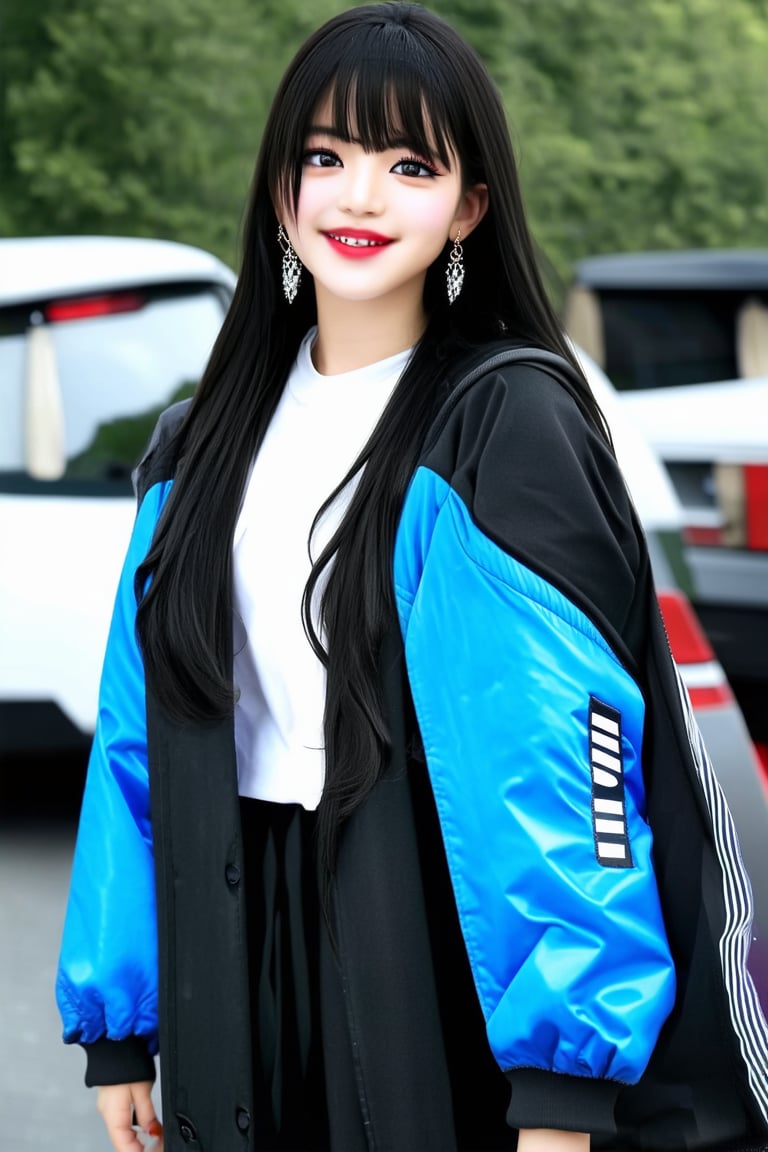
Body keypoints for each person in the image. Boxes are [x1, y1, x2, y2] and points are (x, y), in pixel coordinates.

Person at [56, 4, 768, 1151]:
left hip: (438, 953)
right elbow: (139, 736)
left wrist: (561, 1092)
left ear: (470, 205)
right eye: (326, 158)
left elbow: (564, 761)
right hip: (233, 949)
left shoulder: (503, 423)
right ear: (281, 189)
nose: (360, 198)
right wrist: (118, 1019)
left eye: (409, 164)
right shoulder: (200, 443)